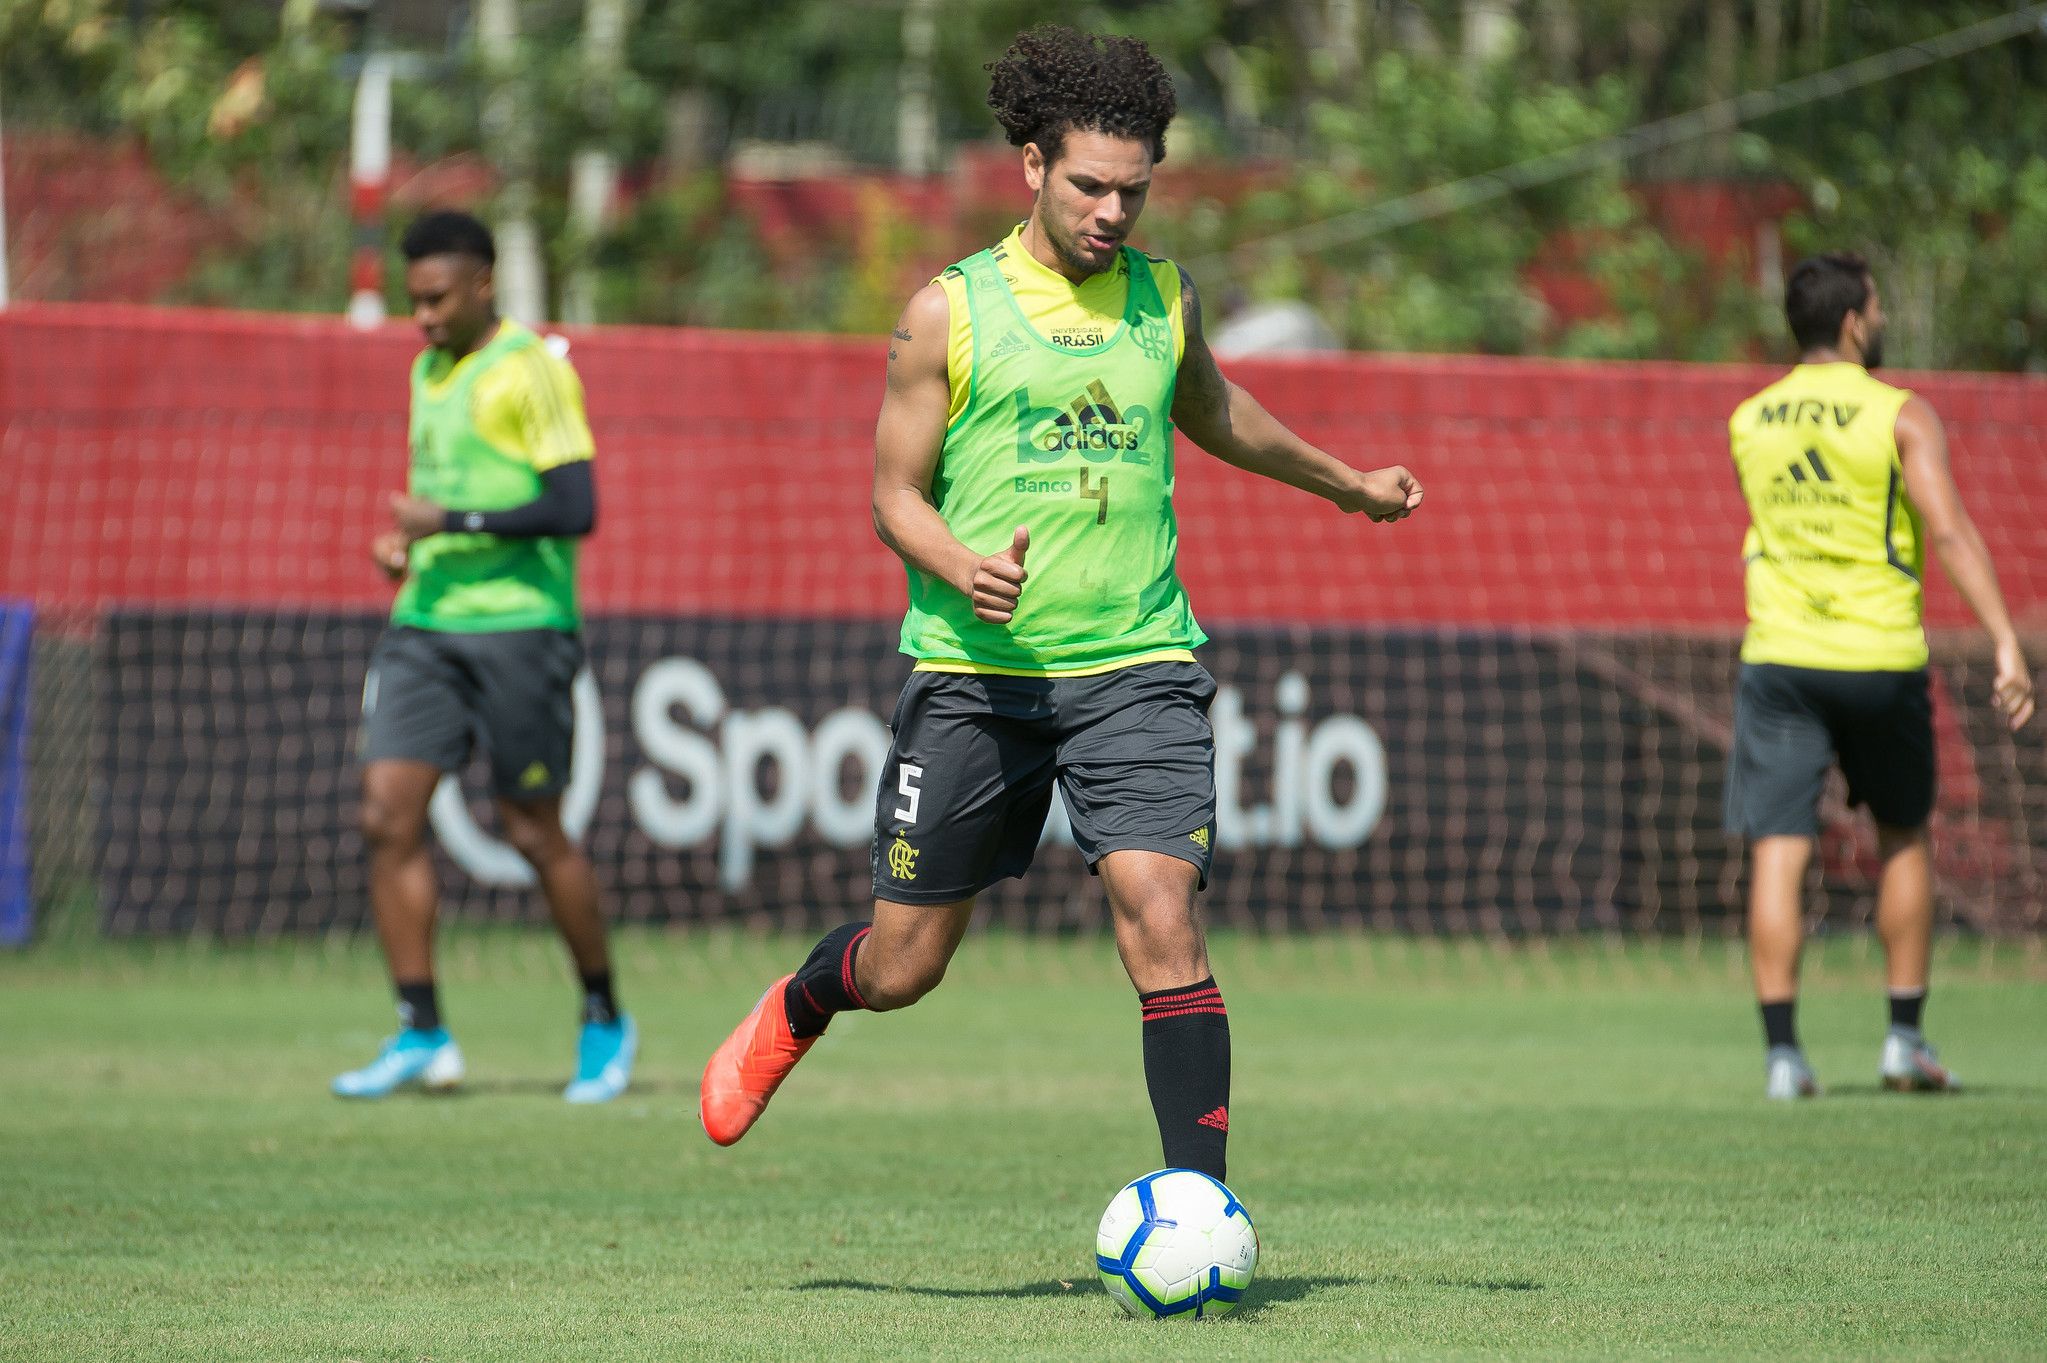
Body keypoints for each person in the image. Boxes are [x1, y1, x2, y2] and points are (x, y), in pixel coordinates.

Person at [698, 26, 1423, 1176]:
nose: (1111, 212)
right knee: (904, 968)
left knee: (1161, 913)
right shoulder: (948, 312)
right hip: (977, 675)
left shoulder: (1165, 300)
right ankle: (800, 1001)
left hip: (1136, 665)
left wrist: (1346, 484)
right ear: (1032, 166)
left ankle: (1197, 1209)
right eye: (1089, 185)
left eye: (1133, 192)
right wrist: (956, 561)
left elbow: (1218, 414)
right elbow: (892, 495)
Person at [332, 211, 636, 1103]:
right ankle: (421, 1030)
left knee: (533, 829)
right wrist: (408, 549)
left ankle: (603, 1018)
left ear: (481, 285)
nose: (421, 317)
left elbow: (575, 506)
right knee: (386, 816)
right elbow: (445, 497)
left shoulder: (530, 370)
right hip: (426, 623)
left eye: (435, 298)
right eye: (412, 301)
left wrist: (450, 524)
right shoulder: (429, 371)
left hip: (521, 628)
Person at [1725, 251, 2034, 1100]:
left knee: (1778, 849)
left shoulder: (1749, 419)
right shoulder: (1899, 413)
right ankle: (1902, 1039)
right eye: (1879, 307)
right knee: (1902, 834)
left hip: (1780, 656)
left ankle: (1783, 1058)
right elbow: (1949, 530)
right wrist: (2005, 638)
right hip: (1878, 655)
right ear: (1857, 321)